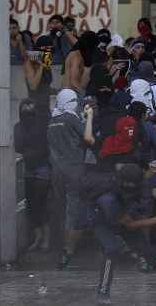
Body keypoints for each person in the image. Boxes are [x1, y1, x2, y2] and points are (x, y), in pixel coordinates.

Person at [89, 163, 156, 305]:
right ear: (126, 182)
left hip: (125, 214)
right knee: (112, 248)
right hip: (102, 220)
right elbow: (130, 225)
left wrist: (150, 172)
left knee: (151, 253)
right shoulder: (109, 198)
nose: (138, 185)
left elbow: (141, 180)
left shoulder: (129, 181)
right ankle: (103, 293)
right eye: (135, 183)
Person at [48, 89, 94, 270]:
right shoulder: (70, 117)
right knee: (73, 210)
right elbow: (87, 136)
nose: (76, 103)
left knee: (63, 208)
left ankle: (63, 243)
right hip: (74, 170)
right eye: (73, 100)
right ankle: (70, 247)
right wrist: (88, 117)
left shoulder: (52, 120)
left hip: (56, 171)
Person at [14, 98, 52, 253]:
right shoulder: (18, 127)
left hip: (42, 168)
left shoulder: (41, 126)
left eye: (31, 108)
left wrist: (26, 155)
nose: (28, 111)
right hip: (28, 169)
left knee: (39, 202)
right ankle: (38, 237)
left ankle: (47, 238)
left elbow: (45, 148)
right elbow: (17, 146)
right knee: (30, 203)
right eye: (25, 108)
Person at [24, 35, 55, 116]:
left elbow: (43, 86)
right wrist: (41, 66)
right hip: (34, 109)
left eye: (50, 48)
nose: (48, 51)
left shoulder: (46, 63)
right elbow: (33, 86)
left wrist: (56, 91)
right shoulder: (30, 63)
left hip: (45, 108)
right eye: (45, 48)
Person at [62, 31, 100, 96]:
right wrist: (86, 96)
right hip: (68, 94)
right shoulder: (75, 56)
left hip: (76, 93)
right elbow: (73, 82)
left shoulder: (83, 55)